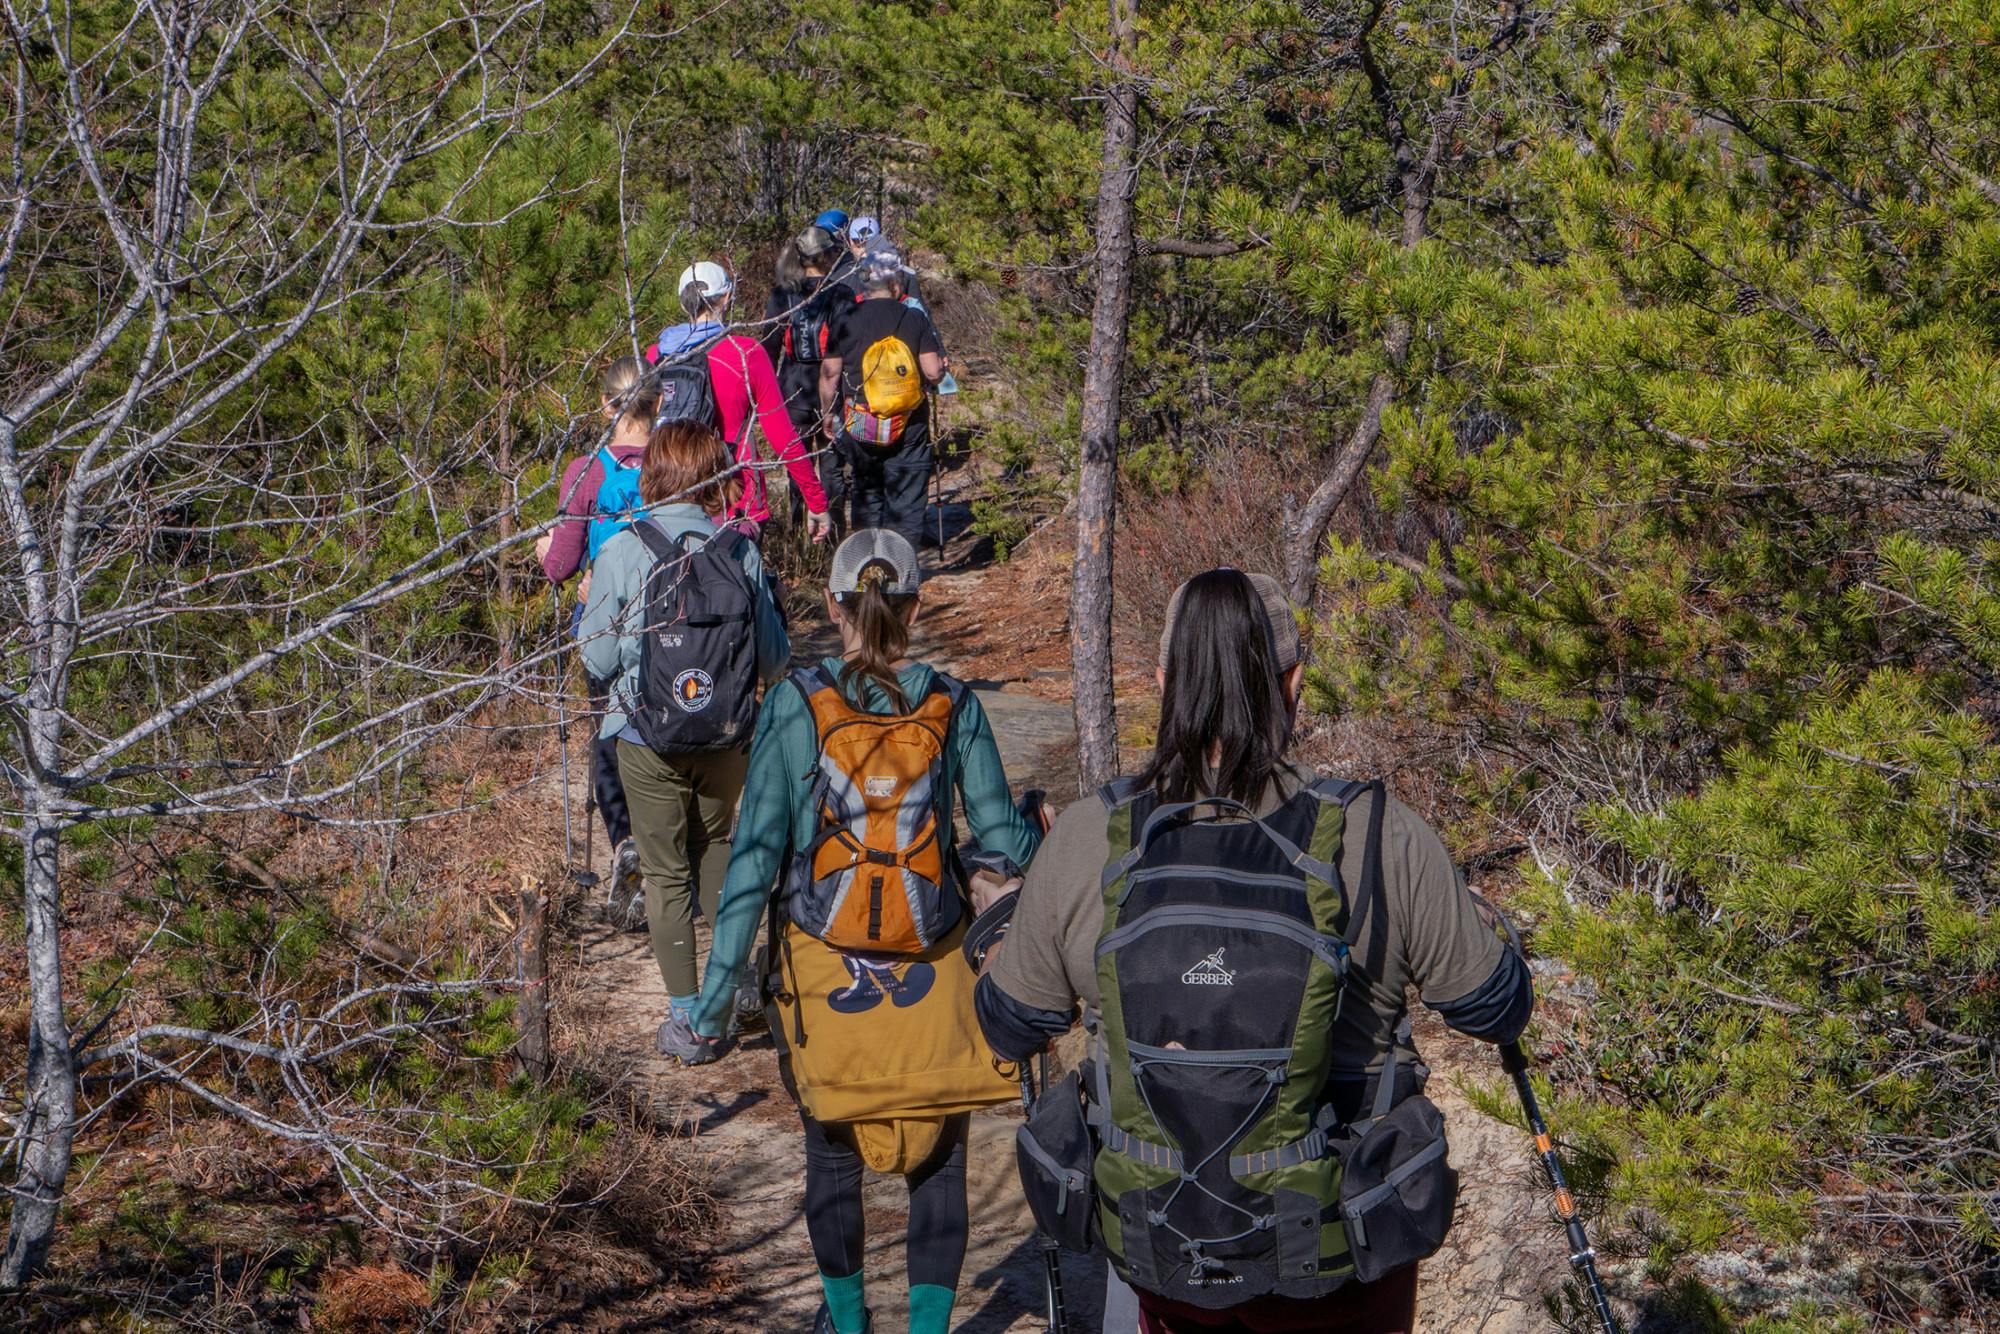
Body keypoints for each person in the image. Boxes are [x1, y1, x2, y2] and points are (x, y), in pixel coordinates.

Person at [974, 569, 1536, 1334]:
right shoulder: (1378, 835)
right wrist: (1481, 919)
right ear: (1294, 683)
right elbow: (1494, 1008)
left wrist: (998, 934)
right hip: (1344, 1257)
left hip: (1166, 1254)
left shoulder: (1088, 839)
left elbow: (1012, 1027)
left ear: (1165, 681)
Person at [665, 528, 1043, 1334]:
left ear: (834, 606)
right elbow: (1003, 844)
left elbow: (755, 859)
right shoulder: (952, 703)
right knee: (938, 1166)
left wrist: (713, 999)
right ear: (913, 603)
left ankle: (846, 1322)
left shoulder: (799, 706)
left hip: (822, 969)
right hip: (933, 963)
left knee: (831, 1157)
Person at [578, 421, 792, 1032]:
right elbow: (774, 660)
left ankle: (687, 1014)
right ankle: (736, 985)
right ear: (714, 475)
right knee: (718, 848)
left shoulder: (623, 548)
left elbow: (595, 661)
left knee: (665, 867)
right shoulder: (739, 550)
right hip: (727, 732)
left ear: (654, 474)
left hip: (646, 735)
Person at [537, 356, 655, 927]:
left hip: (605, 622)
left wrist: (545, 554)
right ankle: (668, 845)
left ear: (607, 406)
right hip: (671, 619)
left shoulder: (588, 472)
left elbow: (560, 565)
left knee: (610, 734)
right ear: (658, 404)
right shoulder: (679, 461)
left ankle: (626, 842)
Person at [650, 260, 833, 544]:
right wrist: (816, 500)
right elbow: (782, 436)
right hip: (735, 500)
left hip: (668, 497)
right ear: (726, 297)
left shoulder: (656, 356)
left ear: (684, 304)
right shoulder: (745, 353)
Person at [817, 247, 947, 555]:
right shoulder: (913, 317)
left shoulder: (845, 320)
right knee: (908, 499)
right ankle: (900, 573)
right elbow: (931, 371)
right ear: (896, 284)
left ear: (864, 285)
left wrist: (827, 413)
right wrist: (941, 370)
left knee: (866, 489)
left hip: (862, 419)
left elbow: (829, 374)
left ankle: (867, 569)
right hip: (909, 422)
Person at [767, 225, 853, 529]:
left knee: (797, 468)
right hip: (833, 390)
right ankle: (835, 539)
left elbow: (769, 346)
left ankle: (797, 533)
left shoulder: (782, 295)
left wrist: (766, 396)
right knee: (832, 468)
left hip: (792, 389)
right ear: (827, 255)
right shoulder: (841, 292)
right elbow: (848, 345)